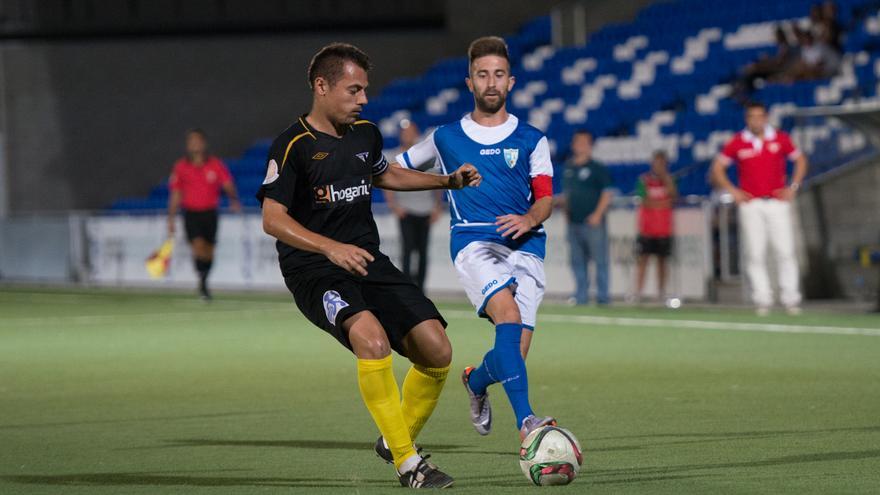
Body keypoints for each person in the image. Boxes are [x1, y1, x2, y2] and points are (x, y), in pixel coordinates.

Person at [257, 42, 481, 489]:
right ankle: (408, 463)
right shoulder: (293, 145)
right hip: (314, 270)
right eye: (354, 90)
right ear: (322, 87)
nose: (363, 99)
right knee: (371, 340)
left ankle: (392, 439)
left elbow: (385, 174)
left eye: (365, 90)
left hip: (366, 260)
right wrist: (328, 248)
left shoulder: (365, 134)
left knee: (437, 350)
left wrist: (445, 181)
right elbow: (272, 219)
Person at [395, 36, 556, 442]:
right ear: (469, 82)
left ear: (511, 82)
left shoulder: (532, 139)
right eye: (482, 75)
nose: (490, 83)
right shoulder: (445, 137)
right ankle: (528, 423)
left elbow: (546, 199)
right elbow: (396, 170)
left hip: (527, 244)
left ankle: (477, 380)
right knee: (509, 317)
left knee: (512, 355)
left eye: (498, 75)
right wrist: (442, 181)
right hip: (473, 242)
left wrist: (529, 217)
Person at [711, 101, 808, 316]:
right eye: (751, 117)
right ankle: (762, 299)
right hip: (751, 203)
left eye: (759, 116)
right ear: (747, 120)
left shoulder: (780, 138)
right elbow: (718, 168)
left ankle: (790, 298)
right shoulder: (738, 142)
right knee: (755, 253)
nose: (756, 120)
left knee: (785, 251)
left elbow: (800, 160)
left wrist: (793, 186)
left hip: (777, 202)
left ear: (766, 117)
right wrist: (733, 191)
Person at [167, 128, 241, 300]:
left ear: (203, 143)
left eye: (197, 140)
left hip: (210, 213)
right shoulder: (181, 167)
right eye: (191, 141)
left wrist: (233, 200)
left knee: (209, 251)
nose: (194, 144)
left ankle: (203, 280)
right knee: (198, 247)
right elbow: (176, 193)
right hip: (191, 213)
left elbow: (227, 184)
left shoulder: (215, 164)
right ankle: (203, 284)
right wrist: (170, 217)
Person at [383, 120, 444, 290]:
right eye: (404, 132)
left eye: (410, 132)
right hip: (406, 211)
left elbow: (436, 183)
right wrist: (394, 206)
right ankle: (408, 288)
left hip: (425, 209)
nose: (407, 135)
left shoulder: (424, 155)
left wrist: (437, 207)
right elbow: (386, 182)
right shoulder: (394, 156)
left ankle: (421, 288)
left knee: (423, 252)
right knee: (407, 250)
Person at [561, 130, 613, 306]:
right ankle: (581, 296)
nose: (580, 145)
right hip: (573, 221)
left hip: (593, 223)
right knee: (577, 261)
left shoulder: (597, 168)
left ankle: (603, 297)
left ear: (590, 145)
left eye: (584, 142)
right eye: (577, 142)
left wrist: (597, 214)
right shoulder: (568, 168)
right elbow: (567, 194)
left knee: (600, 261)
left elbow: (607, 193)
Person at [634, 150, 678, 302]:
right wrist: (662, 203)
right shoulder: (644, 180)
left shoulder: (670, 180)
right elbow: (644, 200)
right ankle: (638, 292)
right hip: (646, 228)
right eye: (656, 163)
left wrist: (667, 180)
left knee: (662, 262)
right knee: (642, 261)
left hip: (664, 229)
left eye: (662, 163)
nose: (658, 166)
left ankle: (661, 292)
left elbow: (673, 197)